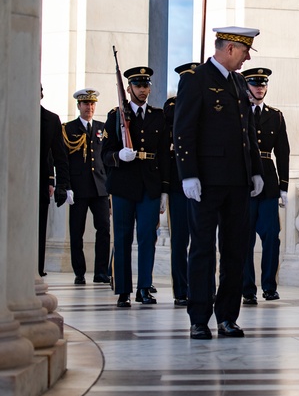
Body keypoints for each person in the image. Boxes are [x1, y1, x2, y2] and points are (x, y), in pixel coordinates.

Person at [174, 27, 264, 339]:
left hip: (237, 182)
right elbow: (183, 130)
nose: (247, 58)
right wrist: (188, 174)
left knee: (235, 250)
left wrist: (255, 169)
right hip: (206, 182)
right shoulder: (195, 79)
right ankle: (199, 317)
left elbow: (247, 130)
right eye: (244, 52)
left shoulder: (239, 82)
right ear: (228, 49)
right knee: (201, 249)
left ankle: (227, 316)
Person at [102, 67, 169, 308]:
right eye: (138, 86)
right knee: (122, 237)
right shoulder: (115, 116)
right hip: (123, 184)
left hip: (150, 184)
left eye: (146, 85)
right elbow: (104, 154)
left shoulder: (158, 116)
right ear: (128, 89)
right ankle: (123, 290)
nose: (143, 90)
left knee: (147, 238)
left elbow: (163, 155)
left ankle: (144, 288)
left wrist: (164, 190)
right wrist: (119, 155)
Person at [240, 67, 290, 305]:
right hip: (244, 182)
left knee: (272, 236)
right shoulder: (238, 113)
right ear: (246, 86)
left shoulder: (276, 115)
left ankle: (269, 285)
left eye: (263, 84)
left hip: (268, 183)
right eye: (255, 84)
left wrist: (284, 186)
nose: (260, 88)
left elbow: (283, 152)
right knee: (244, 237)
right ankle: (247, 287)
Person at [61, 88, 111, 285]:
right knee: (76, 232)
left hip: (100, 188)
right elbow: (63, 160)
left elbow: (106, 159)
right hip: (79, 188)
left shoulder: (102, 128)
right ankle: (79, 272)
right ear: (79, 106)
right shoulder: (68, 129)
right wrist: (65, 186)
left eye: (92, 104)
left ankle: (100, 272)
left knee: (104, 230)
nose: (89, 107)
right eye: (85, 104)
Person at [162, 61, 199, 306]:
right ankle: (181, 288)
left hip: (202, 185)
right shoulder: (172, 107)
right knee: (180, 240)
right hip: (178, 185)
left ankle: (202, 286)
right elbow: (168, 152)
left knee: (202, 239)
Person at [39, 85, 69, 277]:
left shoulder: (51, 120)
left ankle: (37, 267)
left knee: (40, 228)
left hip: (39, 182)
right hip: (13, 182)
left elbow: (59, 155)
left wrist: (62, 185)